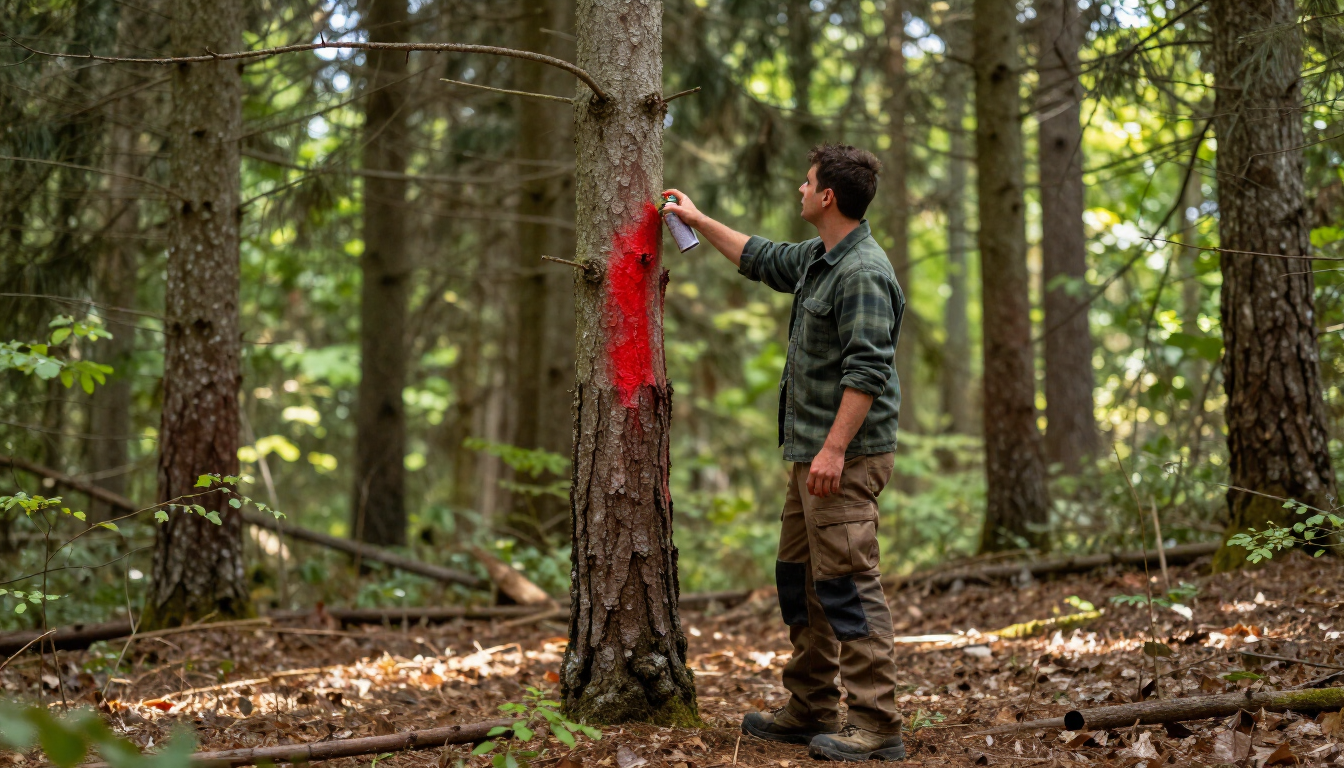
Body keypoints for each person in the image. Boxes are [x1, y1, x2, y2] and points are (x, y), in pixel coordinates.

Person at [662, 144, 906, 762]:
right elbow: (761, 257)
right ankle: (811, 706)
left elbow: (868, 371)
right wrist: (696, 219)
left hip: (843, 458)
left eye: (807, 181)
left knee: (848, 586)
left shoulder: (863, 272)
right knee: (801, 583)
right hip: (811, 455)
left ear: (828, 196)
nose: (799, 188)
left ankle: (876, 724)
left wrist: (833, 450)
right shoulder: (821, 257)